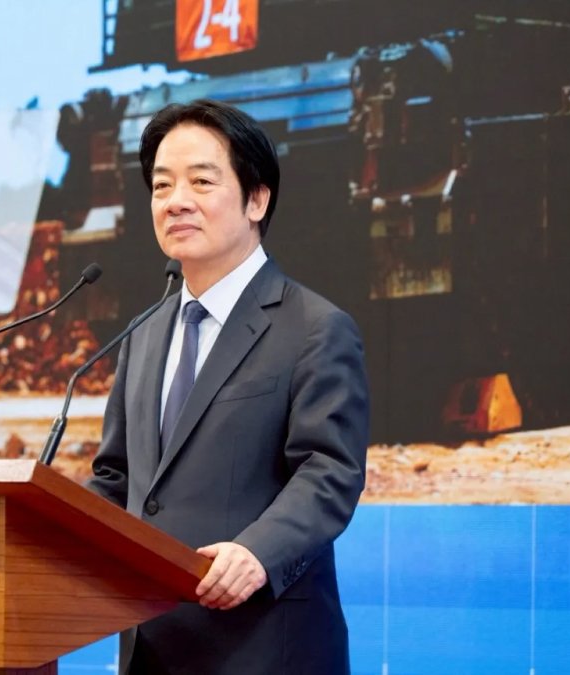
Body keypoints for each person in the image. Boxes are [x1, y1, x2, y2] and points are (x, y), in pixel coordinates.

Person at [87, 99, 370, 675]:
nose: (176, 201)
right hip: (149, 649)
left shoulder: (315, 327)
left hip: (261, 644)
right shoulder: (143, 333)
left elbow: (329, 471)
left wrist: (257, 552)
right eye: (161, 185)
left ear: (257, 199)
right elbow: (116, 478)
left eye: (201, 181)